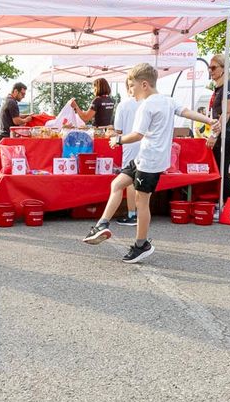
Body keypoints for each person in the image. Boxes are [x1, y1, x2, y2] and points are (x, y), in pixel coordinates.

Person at [82, 63, 219, 264]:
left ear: (144, 84)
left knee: (141, 202)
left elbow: (138, 135)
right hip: (144, 158)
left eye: (132, 86)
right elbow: (187, 112)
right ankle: (102, 224)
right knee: (117, 184)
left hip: (150, 161)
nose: (131, 91)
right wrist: (209, 120)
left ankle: (141, 244)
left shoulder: (147, 105)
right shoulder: (167, 101)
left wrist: (117, 140)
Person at [206, 54, 230, 205]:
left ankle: (224, 204)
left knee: (222, 168)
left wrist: (214, 134)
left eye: (214, 67)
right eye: (209, 67)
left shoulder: (229, 85)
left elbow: (226, 112)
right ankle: (219, 202)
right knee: (218, 168)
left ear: (223, 68)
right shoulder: (220, 86)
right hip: (222, 131)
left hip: (227, 132)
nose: (210, 71)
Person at [112, 79, 140, 226]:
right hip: (147, 146)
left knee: (129, 179)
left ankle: (132, 214)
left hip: (130, 144)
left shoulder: (123, 105)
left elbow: (118, 130)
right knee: (144, 179)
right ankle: (140, 213)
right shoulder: (148, 103)